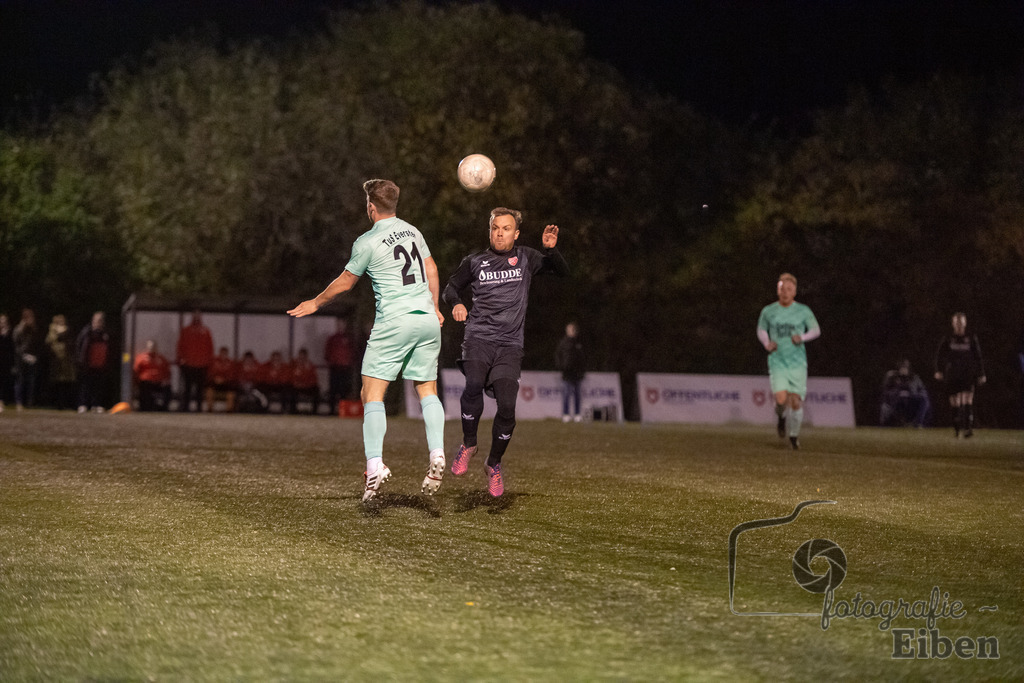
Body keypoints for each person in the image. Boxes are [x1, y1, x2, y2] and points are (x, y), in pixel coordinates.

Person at [288, 179, 446, 502]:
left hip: (395, 321)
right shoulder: (414, 232)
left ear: (371, 207)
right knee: (427, 389)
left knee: (371, 393)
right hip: (427, 320)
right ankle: (437, 453)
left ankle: (374, 465)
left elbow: (346, 282)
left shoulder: (368, 240)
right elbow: (431, 268)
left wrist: (315, 303)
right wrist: (436, 306)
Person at [443, 207, 568, 496]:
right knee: (473, 384)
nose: (500, 232)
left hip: (509, 345)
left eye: (506, 228)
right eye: (495, 227)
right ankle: (469, 444)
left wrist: (551, 251)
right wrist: (457, 304)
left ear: (516, 233)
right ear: (490, 230)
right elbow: (451, 287)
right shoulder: (474, 261)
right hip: (478, 338)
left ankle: (494, 464)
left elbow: (563, 272)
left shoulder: (526, 257)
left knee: (508, 407)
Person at [756, 273, 821, 450]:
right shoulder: (769, 311)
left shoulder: (803, 311)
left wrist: (803, 337)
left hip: (797, 362)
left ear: (795, 292)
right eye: (782, 289)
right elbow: (761, 329)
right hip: (777, 360)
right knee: (781, 399)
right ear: (778, 290)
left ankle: (793, 437)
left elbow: (816, 330)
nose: (785, 292)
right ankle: (781, 417)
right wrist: (766, 342)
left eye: (789, 289)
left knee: (795, 401)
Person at [934, 312, 985, 438]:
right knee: (955, 401)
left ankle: (968, 429)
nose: (959, 325)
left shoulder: (971, 338)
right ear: (953, 324)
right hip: (952, 373)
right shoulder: (948, 338)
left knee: (967, 399)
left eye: (961, 323)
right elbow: (939, 355)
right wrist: (938, 370)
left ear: (965, 323)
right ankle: (957, 429)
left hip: (967, 373)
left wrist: (981, 373)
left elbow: (978, 356)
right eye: (957, 323)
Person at [176, 310, 214, 412]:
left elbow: (210, 348)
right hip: (188, 364)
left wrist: (208, 362)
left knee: (199, 389)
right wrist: (181, 359)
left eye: (198, 315)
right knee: (187, 388)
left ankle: (198, 408)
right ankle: (185, 408)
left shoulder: (206, 331)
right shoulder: (186, 330)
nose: (197, 317)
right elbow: (180, 346)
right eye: (195, 315)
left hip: (202, 365)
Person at [76, 311, 112, 413]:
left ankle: (96, 405)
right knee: (86, 385)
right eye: (96, 320)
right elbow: (79, 346)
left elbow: (110, 349)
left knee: (99, 386)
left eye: (100, 321)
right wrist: (80, 360)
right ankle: (83, 404)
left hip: (100, 364)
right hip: (87, 364)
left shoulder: (106, 334)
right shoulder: (86, 332)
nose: (98, 323)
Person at [879, 358, 931, 428]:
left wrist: (913, 394)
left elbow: (923, 391)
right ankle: (899, 423)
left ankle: (918, 423)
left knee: (924, 400)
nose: (903, 370)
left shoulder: (914, 378)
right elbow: (885, 392)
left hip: (911, 401)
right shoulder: (892, 377)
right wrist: (897, 392)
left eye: (905, 368)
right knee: (891, 404)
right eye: (902, 368)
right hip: (896, 401)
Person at [13, 307, 43, 410]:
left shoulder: (34, 330)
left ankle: (29, 402)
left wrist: (34, 356)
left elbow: (37, 344)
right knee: (20, 380)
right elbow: (16, 345)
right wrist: (24, 356)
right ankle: (19, 402)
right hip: (21, 359)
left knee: (31, 381)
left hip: (32, 358)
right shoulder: (18, 329)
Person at [555, 321, 586, 422]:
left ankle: (577, 414)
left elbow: (583, 358)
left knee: (577, 395)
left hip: (577, 374)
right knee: (566, 394)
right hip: (567, 374)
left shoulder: (579, 343)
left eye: (573, 330)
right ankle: (566, 414)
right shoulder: (563, 343)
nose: (571, 332)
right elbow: (558, 356)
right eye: (569, 330)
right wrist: (562, 367)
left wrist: (582, 370)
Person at [45, 314, 78, 410]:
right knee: (56, 383)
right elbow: (49, 342)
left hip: (66, 361)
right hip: (56, 360)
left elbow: (71, 343)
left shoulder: (68, 330)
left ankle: (65, 404)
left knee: (66, 384)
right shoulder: (52, 330)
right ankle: (56, 404)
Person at [325, 317, 356, 412]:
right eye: (339, 324)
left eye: (342, 324)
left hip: (345, 368)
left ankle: (343, 410)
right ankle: (331, 410)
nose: (340, 326)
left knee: (344, 390)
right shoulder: (332, 339)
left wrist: (349, 362)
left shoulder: (349, 339)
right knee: (333, 390)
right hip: (335, 367)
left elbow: (353, 352)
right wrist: (331, 361)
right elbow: (327, 352)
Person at [133, 339, 172, 411]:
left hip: (158, 382)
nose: (152, 348)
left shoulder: (161, 358)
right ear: (147, 347)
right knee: (144, 387)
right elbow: (136, 370)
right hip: (146, 382)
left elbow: (167, 371)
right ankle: (145, 407)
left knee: (168, 388)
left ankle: (163, 408)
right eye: (150, 347)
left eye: (153, 347)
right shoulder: (141, 358)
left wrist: (166, 380)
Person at [204, 346, 238, 412]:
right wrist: (215, 379)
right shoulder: (214, 362)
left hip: (226, 383)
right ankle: (210, 410)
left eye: (225, 353)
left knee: (231, 393)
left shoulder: (230, 363)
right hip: (215, 382)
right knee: (209, 390)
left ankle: (229, 411)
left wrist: (224, 380)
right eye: (222, 353)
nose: (223, 355)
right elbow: (209, 373)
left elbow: (232, 376)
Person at [289, 347, 321, 414]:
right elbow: (290, 376)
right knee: (290, 389)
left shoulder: (310, 366)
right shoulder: (294, 364)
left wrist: (306, 384)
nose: (302, 358)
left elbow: (314, 379)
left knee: (316, 389)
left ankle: (314, 411)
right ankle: (292, 411)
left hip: (307, 386)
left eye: (304, 356)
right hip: (297, 386)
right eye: (300, 356)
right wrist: (296, 383)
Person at [0, 314, 15, 412]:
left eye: (4, 321)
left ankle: (2, 401)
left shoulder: (10, 332)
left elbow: (12, 347)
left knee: (4, 381)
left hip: (6, 361)